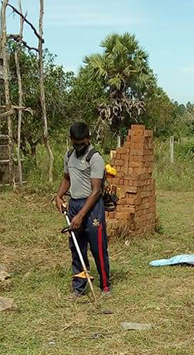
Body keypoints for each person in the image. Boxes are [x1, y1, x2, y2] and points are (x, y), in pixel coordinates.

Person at [54, 122, 111, 298]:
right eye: (75, 142)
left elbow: (96, 191)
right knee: (76, 247)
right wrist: (59, 195)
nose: (78, 145)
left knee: (98, 248)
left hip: (92, 206)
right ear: (71, 140)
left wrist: (80, 215)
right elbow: (67, 178)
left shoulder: (95, 158)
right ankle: (79, 287)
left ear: (88, 139)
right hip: (75, 203)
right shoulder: (69, 155)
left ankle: (105, 286)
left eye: (82, 142)